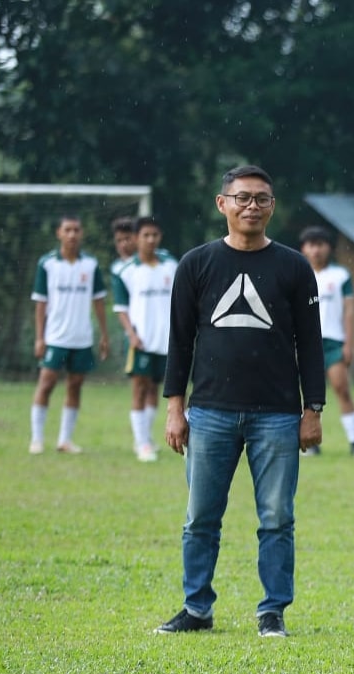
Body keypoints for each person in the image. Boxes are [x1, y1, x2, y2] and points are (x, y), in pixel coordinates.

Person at [155, 165, 325, 639]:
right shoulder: (196, 264)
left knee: (276, 518)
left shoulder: (294, 267)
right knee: (200, 518)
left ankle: (272, 611)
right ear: (222, 203)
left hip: (276, 415)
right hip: (209, 412)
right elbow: (180, 342)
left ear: (273, 206)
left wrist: (312, 410)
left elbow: (310, 344)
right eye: (243, 198)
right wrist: (175, 407)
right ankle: (196, 608)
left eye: (262, 199)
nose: (253, 207)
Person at [28, 215, 110, 454]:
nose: (72, 234)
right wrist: (39, 337)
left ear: (81, 233)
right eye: (68, 230)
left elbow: (99, 301)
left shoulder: (90, 265)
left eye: (76, 230)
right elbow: (41, 304)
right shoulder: (47, 264)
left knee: (75, 386)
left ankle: (64, 440)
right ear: (59, 233)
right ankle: (37, 439)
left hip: (81, 338)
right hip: (55, 337)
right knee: (46, 383)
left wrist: (104, 335)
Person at [112, 216, 178, 462]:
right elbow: (121, 308)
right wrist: (131, 335)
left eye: (155, 235)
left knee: (156, 389)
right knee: (139, 389)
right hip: (141, 341)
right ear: (137, 238)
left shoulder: (171, 265)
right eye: (145, 235)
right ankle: (141, 443)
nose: (150, 240)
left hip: (167, 341)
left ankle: (148, 438)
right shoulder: (126, 271)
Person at [300, 226, 354, 458]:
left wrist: (348, 344)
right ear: (304, 249)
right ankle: (311, 443)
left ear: (329, 248)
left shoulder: (341, 276)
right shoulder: (299, 274)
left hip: (333, 342)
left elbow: (349, 312)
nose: (316, 250)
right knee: (306, 394)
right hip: (305, 343)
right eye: (311, 245)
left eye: (320, 244)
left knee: (341, 388)